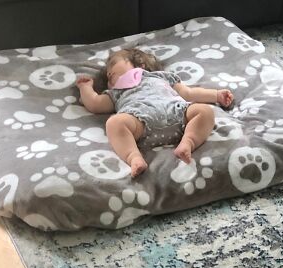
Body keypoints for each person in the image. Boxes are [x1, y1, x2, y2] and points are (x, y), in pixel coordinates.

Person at [76, 48, 234, 177]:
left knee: (205, 111)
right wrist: (86, 88)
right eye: (108, 75)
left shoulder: (162, 77)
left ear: (140, 64)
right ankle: (134, 157)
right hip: (140, 123)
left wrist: (216, 95)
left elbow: (189, 93)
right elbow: (95, 104)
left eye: (113, 66)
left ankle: (188, 142)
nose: (109, 74)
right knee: (114, 123)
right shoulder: (116, 92)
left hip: (178, 113)